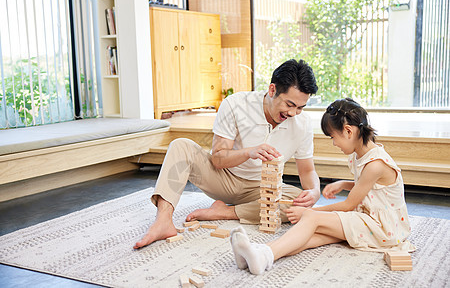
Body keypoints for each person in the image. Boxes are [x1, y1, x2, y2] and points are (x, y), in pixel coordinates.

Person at [134, 59, 320, 249]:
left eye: (300, 107)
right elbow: (218, 159)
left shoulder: (302, 124)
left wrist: (314, 192)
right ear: (272, 90)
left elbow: (307, 171)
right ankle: (163, 221)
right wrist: (249, 152)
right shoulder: (236, 104)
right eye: (290, 104)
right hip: (223, 179)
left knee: (300, 204)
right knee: (180, 146)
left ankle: (224, 212)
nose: (294, 113)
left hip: (261, 189)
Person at [230, 98, 416, 275]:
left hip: (382, 228)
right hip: (368, 218)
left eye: (333, 137)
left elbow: (348, 205)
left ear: (348, 131)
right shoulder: (361, 153)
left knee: (312, 219)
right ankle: (259, 256)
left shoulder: (376, 163)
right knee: (311, 236)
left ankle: (261, 254)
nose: (334, 143)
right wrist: (344, 184)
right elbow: (374, 189)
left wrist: (310, 213)